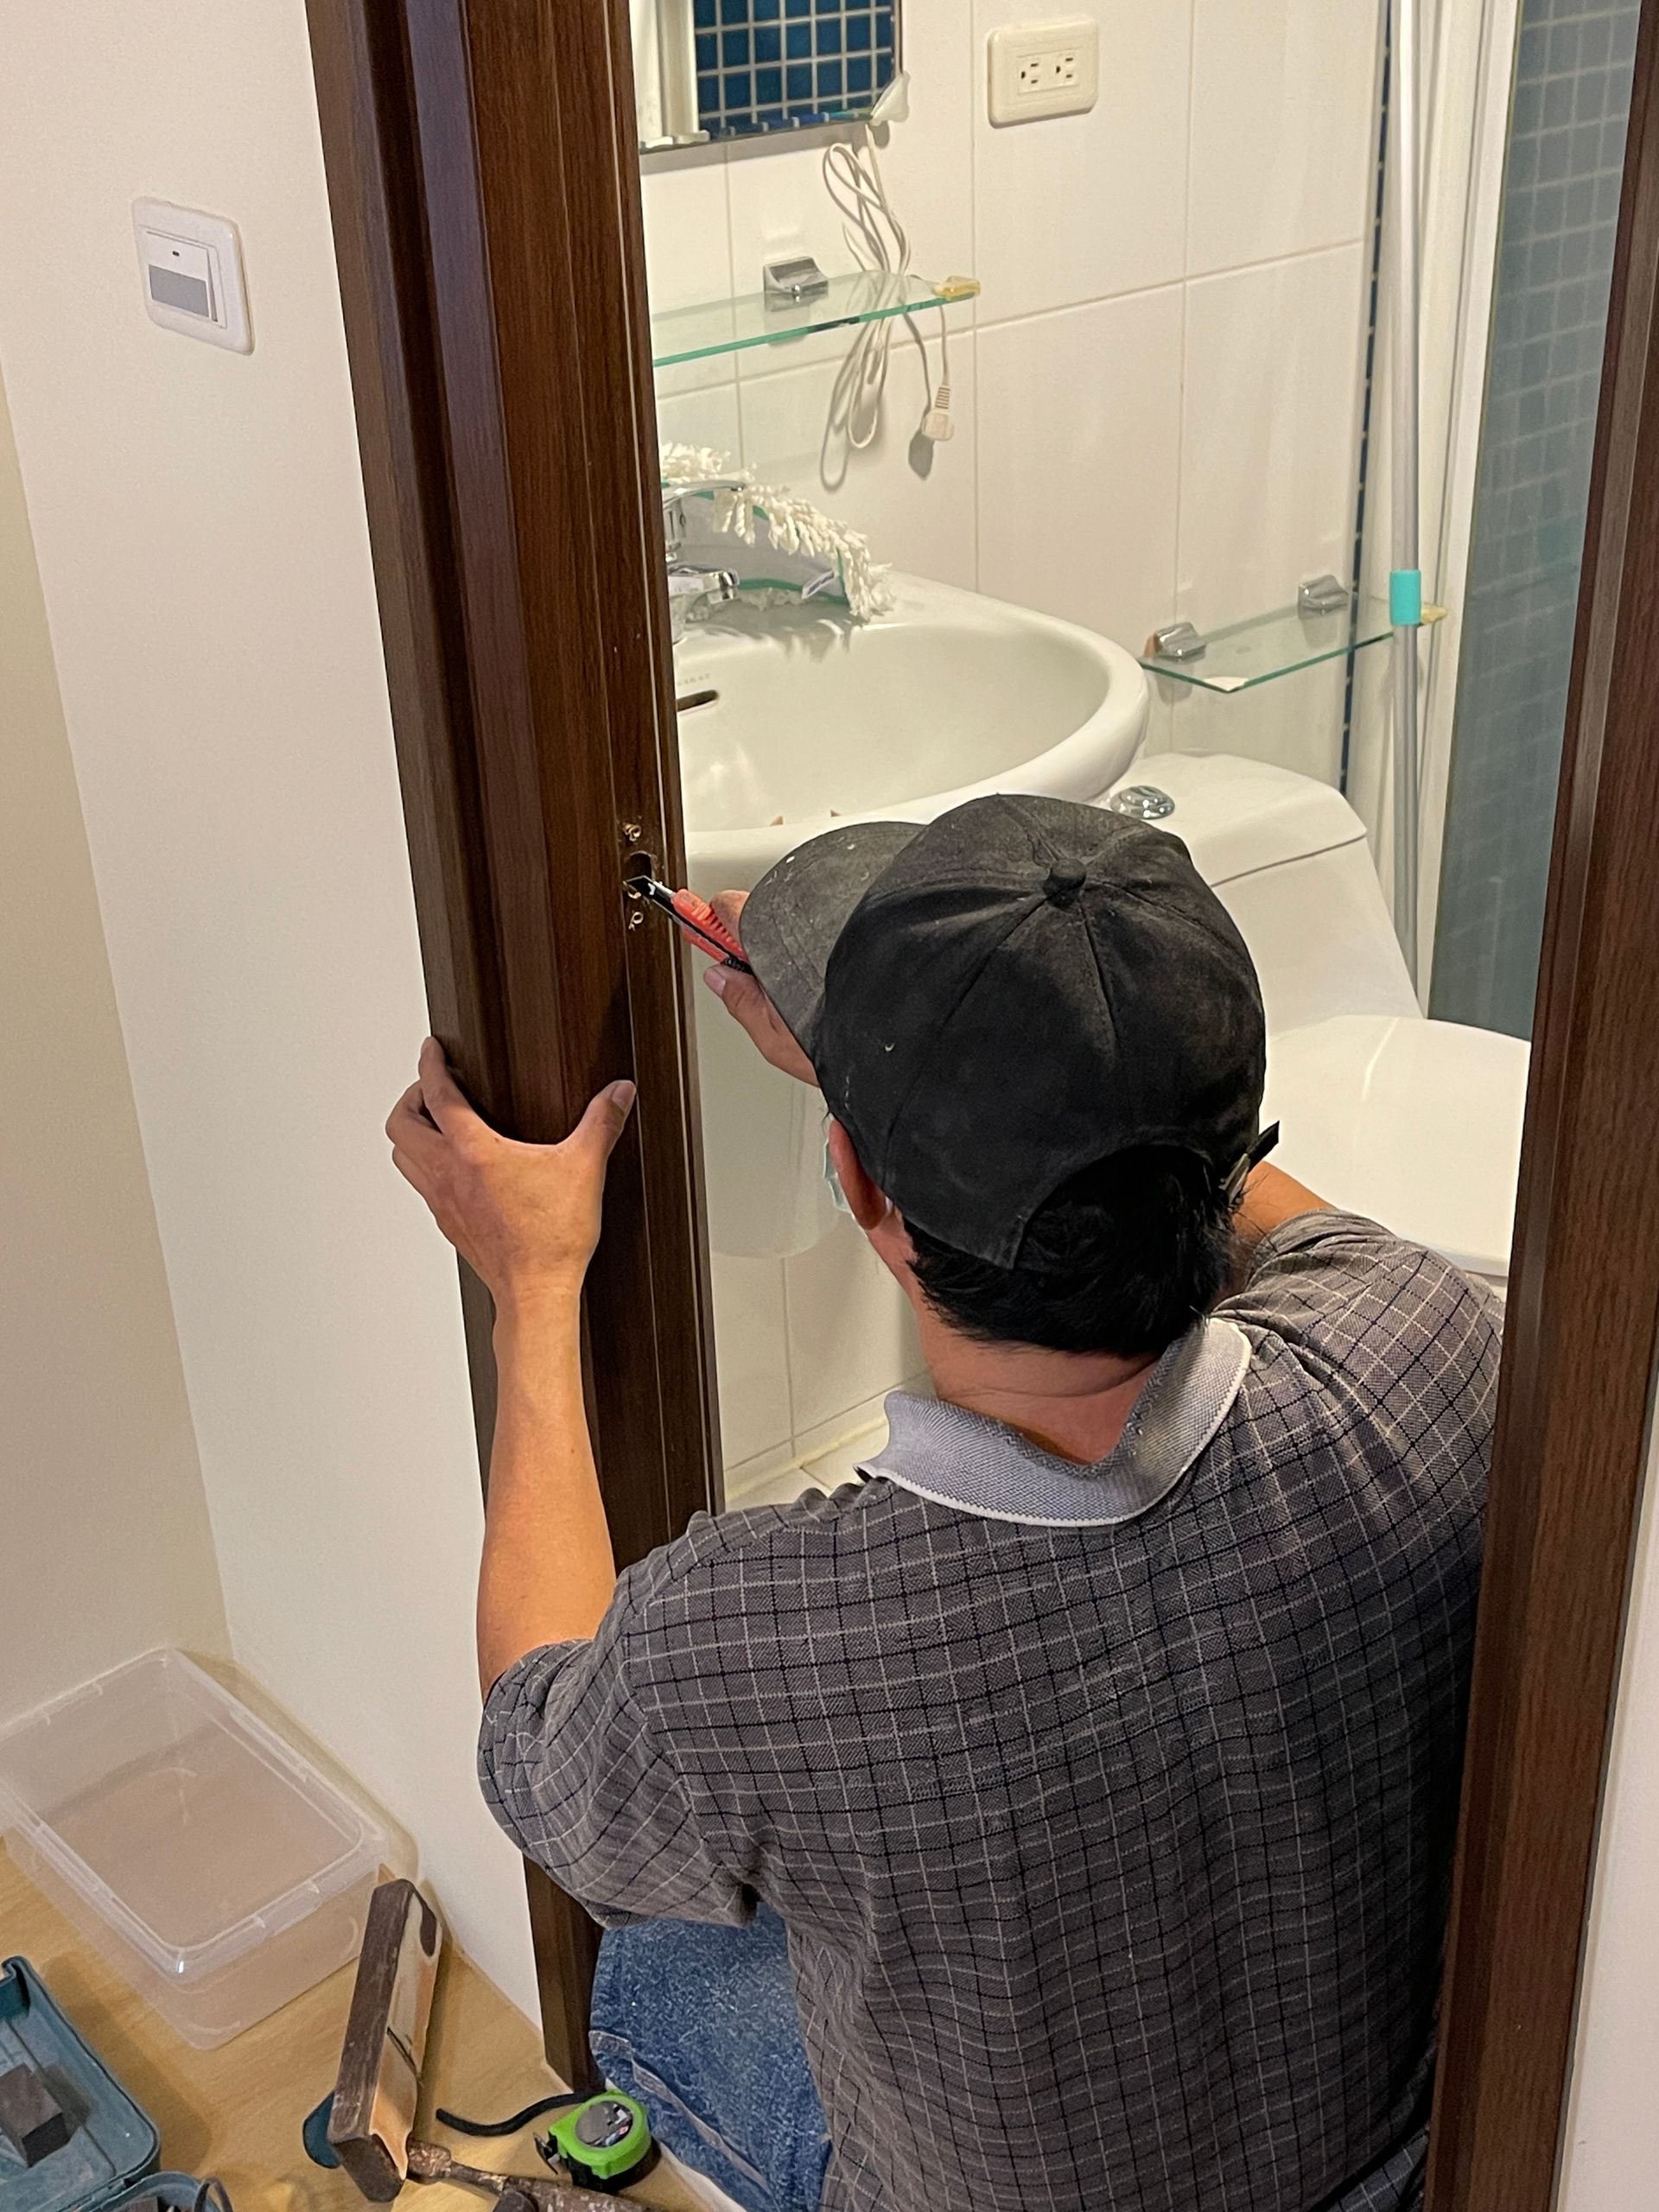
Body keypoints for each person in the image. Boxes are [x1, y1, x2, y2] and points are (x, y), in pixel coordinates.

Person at [385, 793, 1499, 2212]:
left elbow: (532, 1749)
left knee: (657, 1963)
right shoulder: (1424, 1346)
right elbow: (1253, 1204)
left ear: (854, 1181)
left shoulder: (758, 1641)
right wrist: (944, 1074)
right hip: (1379, 2167)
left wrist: (533, 1289)